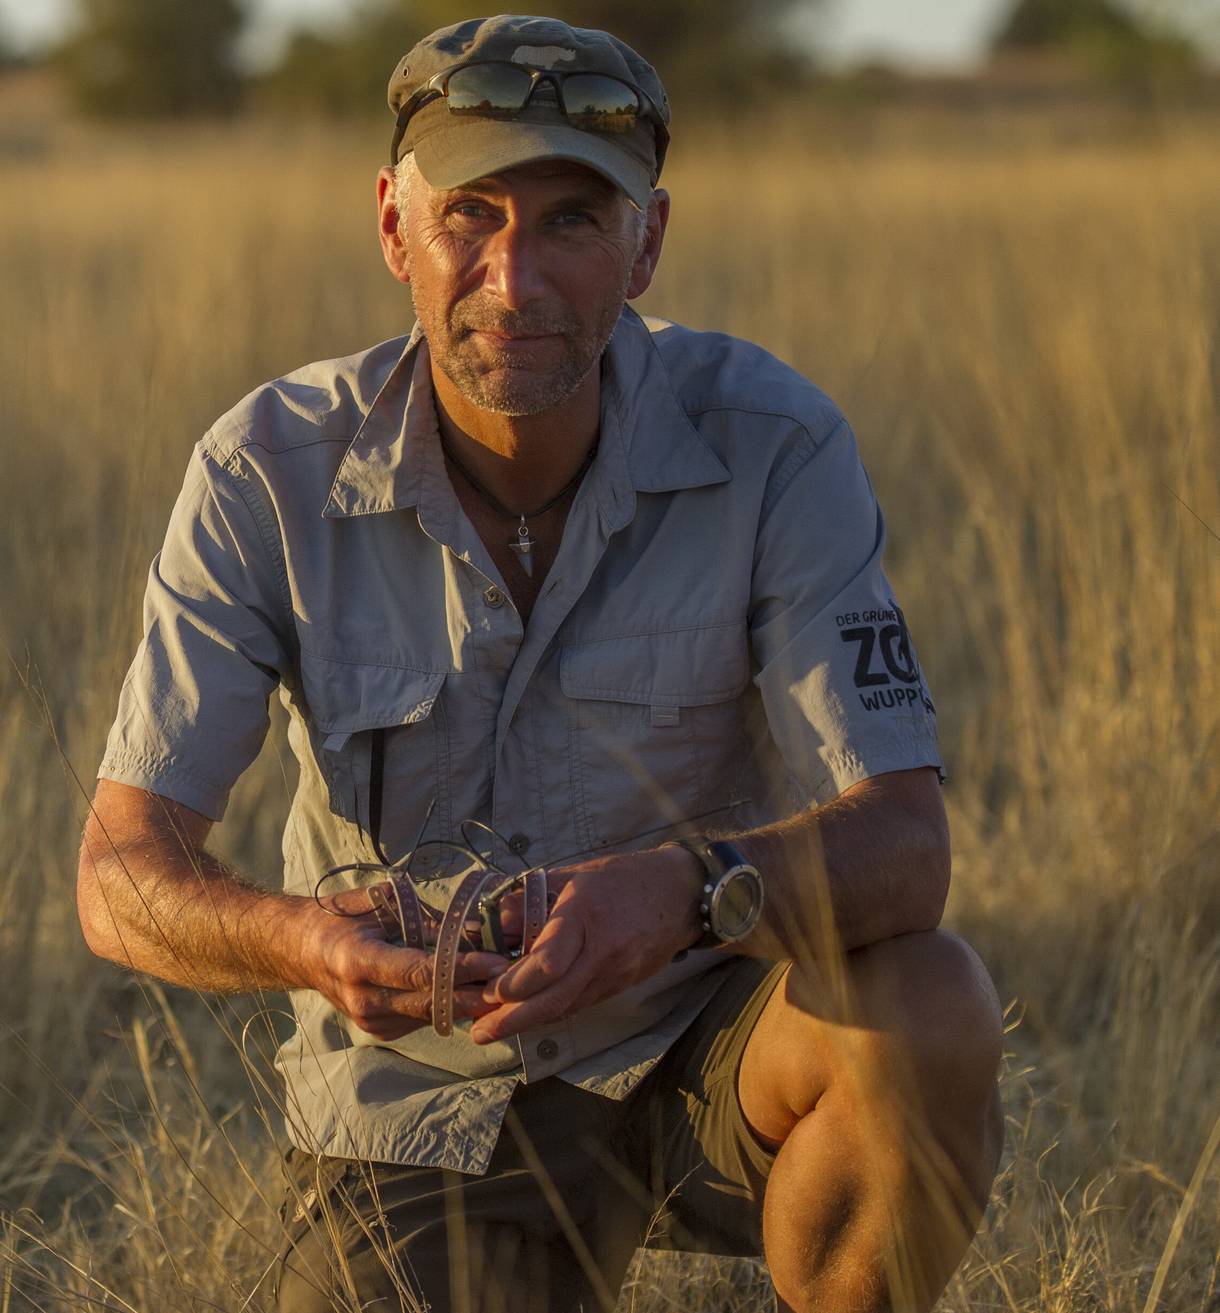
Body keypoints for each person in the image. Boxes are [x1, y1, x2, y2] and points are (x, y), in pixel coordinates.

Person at [75, 15, 1004, 1312]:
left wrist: (686, 894)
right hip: (418, 1107)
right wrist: (302, 941)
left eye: (574, 218)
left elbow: (910, 847)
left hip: (697, 1044)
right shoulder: (264, 473)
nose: (518, 279)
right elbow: (120, 874)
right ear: (393, 228)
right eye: (472, 216)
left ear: (648, 244)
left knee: (931, 1006)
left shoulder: (776, 445)